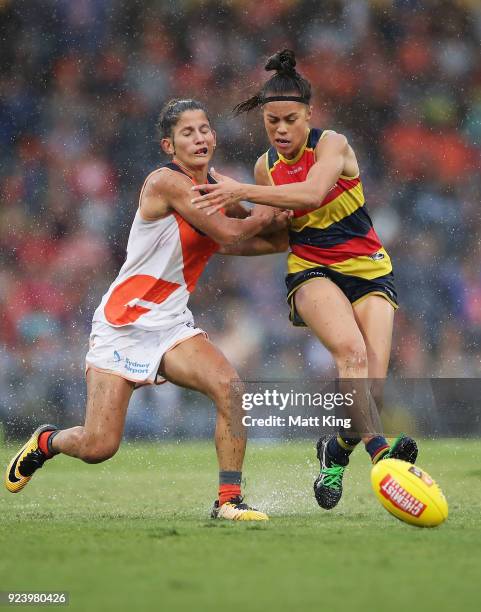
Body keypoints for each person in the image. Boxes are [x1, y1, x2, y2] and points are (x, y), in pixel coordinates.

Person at [5, 98, 289, 521]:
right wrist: (268, 209)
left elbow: (256, 240)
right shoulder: (165, 182)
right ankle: (47, 442)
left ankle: (228, 501)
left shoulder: (221, 186)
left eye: (205, 128)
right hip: (122, 324)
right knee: (99, 447)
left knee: (230, 388)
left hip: (170, 325)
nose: (200, 137)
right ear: (168, 147)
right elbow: (231, 231)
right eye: (187, 132)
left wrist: (295, 226)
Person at [191, 50, 418, 510]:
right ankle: (381, 455)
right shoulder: (265, 168)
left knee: (368, 391)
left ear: (309, 116)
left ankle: (334, 451)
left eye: (290, 119)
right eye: (271, 121)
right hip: (312, 271)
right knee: (350, 352)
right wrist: (222, 232)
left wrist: (241, 191)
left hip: (370, 268)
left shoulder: (333, 144)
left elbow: (313, 192)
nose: (279, 130)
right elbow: (277, 234)